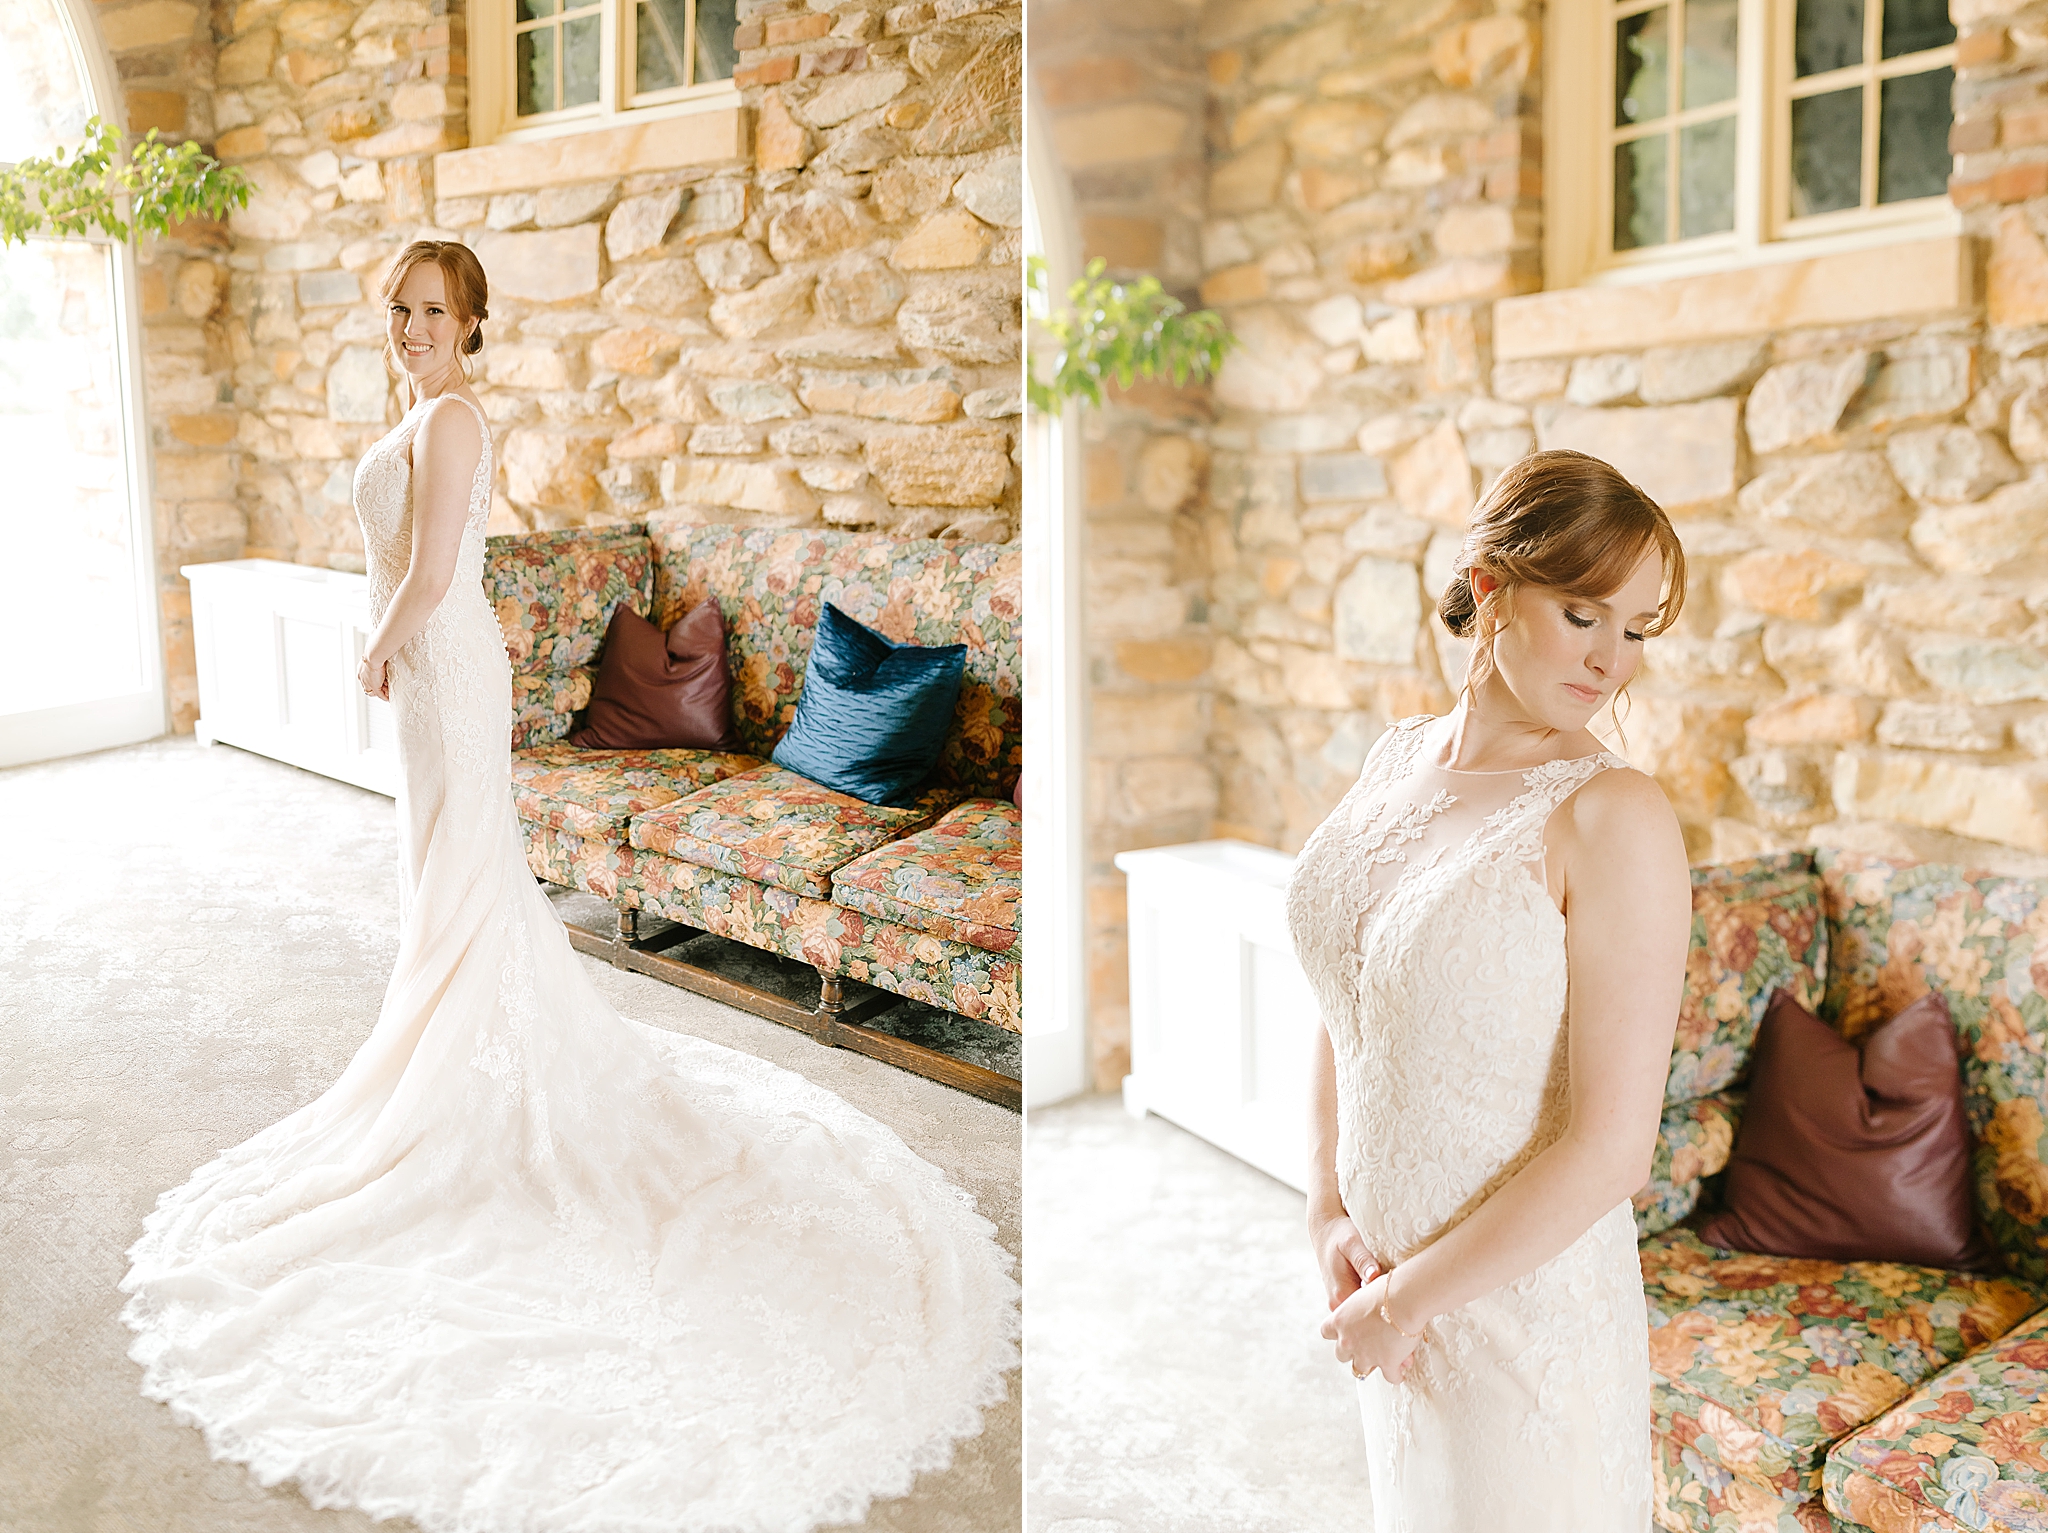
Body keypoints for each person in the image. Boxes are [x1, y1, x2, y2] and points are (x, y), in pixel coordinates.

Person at [119, 240, 1018, 1533]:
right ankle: (454, 1057)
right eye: (402, 310)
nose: (412, 328)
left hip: (438, 661)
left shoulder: (458, 414)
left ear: (474, 327)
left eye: (435, 313)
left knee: (464, 881)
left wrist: (372, 649)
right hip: (431, 672)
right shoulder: (420, 413)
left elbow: (432, 578)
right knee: (444, 876)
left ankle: (453, 1088)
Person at [1285, 449, 1693, 1530]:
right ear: (1489, 587)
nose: (1612, 659)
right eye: (1583, 613)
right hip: (1387, 1304)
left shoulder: (1613, 819)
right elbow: (1348, 1001)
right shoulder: (1393, 762)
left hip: (1521, 1324)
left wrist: (1399, 1302)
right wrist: (1325, 1210)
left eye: (1636, 628)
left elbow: (1611, 1150)